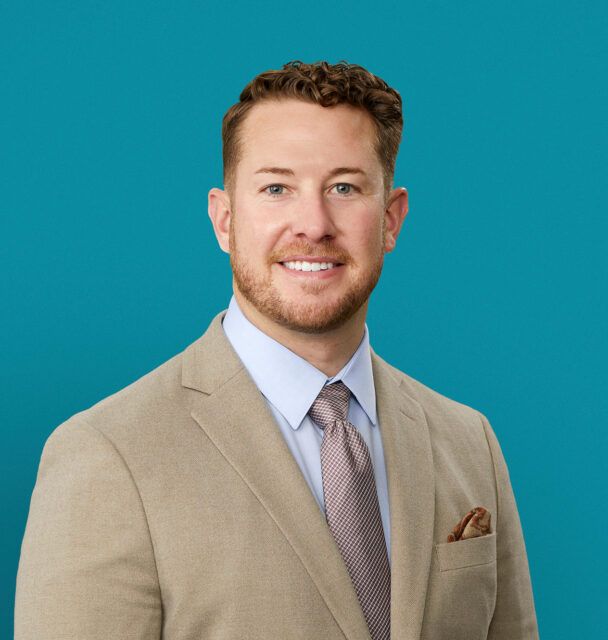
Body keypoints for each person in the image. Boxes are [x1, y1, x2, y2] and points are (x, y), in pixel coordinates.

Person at [15, 60, 539, 640]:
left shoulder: (470, 443)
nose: (313, 225)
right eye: (276, 188)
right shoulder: (106, 455)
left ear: (391, 220)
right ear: (224, 220)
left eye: (344, 187)